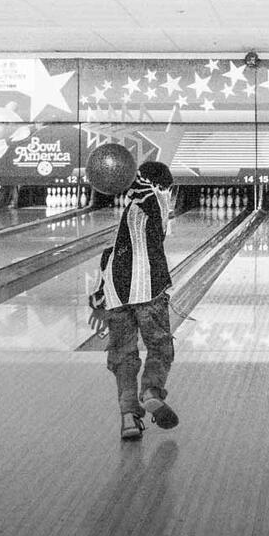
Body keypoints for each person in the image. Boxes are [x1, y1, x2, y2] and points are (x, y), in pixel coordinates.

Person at [92, 160, 179, 440]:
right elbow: (112, 251)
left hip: (117, 290)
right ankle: (151, 391)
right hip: (147, 288)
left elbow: (111, 256)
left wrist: (100, 295)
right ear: (167, 185)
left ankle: (129, 416)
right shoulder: (153, 200)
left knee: (123, 357)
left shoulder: (153, 199)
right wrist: (97, 299)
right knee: (160, 347)